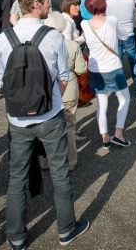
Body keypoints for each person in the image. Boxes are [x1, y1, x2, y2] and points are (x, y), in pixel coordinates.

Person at [0, 0, 89, 249]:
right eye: (47, 2)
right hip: (50, 116)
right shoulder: (53, 37)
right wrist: (48, 100)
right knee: (59, 172)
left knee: (16, 177)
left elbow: (1, 82)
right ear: (36, 4)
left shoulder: (4, 39)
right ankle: (67, 229)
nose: (50, 5)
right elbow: (61, 78)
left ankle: (15, 236)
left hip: (17, 121)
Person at [81, 0, 131, 149]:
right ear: (104, 4)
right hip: (113, 67)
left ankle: (105, 137)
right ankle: (119, 133)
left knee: (102, 104)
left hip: (95, 69)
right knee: (124, 99)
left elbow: (82, 39)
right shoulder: (112, 20)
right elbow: (124, 35)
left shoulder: (84, 24)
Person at [44, 12, 87, 171]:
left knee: (48, 127)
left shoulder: (40, 45)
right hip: (68, 87)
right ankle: (71, 161)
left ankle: (46, 161)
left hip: (48, 88)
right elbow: (81, 69)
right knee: (69, 125)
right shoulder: (72, 45)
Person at [106, 0, 136, 71]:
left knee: (117, 60)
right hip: (128, 33)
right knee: (133, 59)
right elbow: (133, 14)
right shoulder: (130, 1)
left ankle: (120, 83)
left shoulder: (107, 3)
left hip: (114, 34)